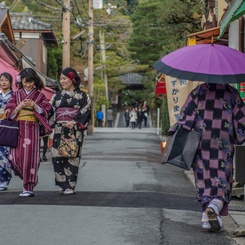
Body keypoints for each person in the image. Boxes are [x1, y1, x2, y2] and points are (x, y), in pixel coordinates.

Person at [168, 83, 245, 232]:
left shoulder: (199, 91)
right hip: (223, 145)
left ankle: (206, 219)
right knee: (222, 180)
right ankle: (213, 207)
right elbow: (241, 120)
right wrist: (240, 137)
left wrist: (176, 129)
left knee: (204, 180)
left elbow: (185, 117)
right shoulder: (232, 93)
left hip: (200, 144)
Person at [5, 68, 52, 197]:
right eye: (25, 82)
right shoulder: (16, 94)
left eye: (30, 82)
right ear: (21, 81)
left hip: (32, 128)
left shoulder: (39, 95)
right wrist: (19, 107)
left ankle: (28, 187)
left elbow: (47, 111)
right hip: (18, 127)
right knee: (13, 157)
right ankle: (27, 178)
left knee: (30, 159)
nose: (28, 85)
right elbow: (8, 112)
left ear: (34, 81)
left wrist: (35, 106)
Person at [49, 67, 91, 195]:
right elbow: (49, 110)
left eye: (64, 78)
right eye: (61, 79)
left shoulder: (83, 96)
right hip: (58, 129)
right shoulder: (56, 95)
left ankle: (71, 185)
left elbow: (86, 111)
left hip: (74, 129)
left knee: (72, 156)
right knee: (57, 156)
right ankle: (62, 184)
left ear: (72, 79)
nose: (62, 81)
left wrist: (74, 122)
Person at [0, 73, 14, 191]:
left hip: (9, 126)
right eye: (2, 80)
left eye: (6, 80)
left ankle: (5, 179)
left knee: (6, 153)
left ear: (10, 82)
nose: (4, 82)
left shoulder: (14, 96)